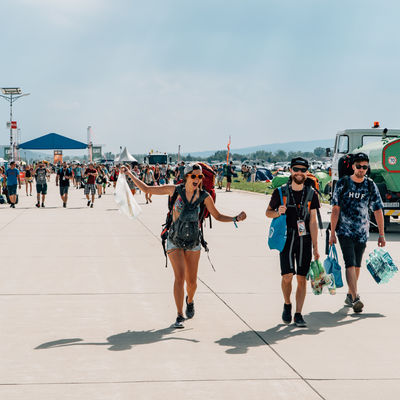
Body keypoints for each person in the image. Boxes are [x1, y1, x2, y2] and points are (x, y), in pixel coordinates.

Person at [121, 163, 247, 329]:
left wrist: (235, 218)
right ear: (187, 176)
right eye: (194, 176)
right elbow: (147, 189)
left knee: (192, 283)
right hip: (174, 240)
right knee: (179, 277)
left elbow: (216, 215)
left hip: (193, 242)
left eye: (200, 176)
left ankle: (190, 300)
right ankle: (180, 315)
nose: (197, 179)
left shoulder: (205, 196)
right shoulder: (175, 190)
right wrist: (129, 173)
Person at [266, 157, 320, 327]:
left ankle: (298, 314)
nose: (299, 173)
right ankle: (287, 304)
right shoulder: (280, 192)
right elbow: (268, 213)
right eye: (296, 169)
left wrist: (316, 247)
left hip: (304, 240)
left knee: (302, 278)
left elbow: (313, 221)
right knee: (287, 276)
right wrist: (277, 212)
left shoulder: (312, 194)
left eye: (303, 170)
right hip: (286, 239)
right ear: (290, 170)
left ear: (307, 173)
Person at [329, 152, 385, 313]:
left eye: (364, 167)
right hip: (344, 230)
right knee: (350, 263)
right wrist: (332, 233)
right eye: (359, 166)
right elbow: (335, 209)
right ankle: (355, 298)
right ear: (353, 167)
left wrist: (381, 234)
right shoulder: (343, 183)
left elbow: (378, 210)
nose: (362, 169)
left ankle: (349, 293)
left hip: (362, 231)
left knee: (357, 265)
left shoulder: (370, 185)